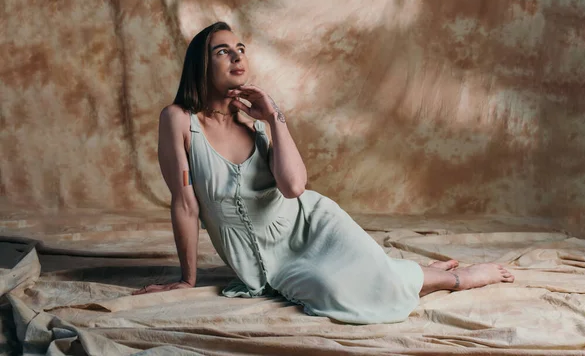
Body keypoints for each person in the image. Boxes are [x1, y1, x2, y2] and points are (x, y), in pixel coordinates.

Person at [132, 22, 515, 324]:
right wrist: (188, 278)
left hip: (314, 223)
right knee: (335, 292)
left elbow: (295, 186)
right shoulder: (179, 121)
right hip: (273, 262)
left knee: (369, 276)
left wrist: (275, 117)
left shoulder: (257, 125)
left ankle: (457, 278)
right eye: (223, 51)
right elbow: (185, 203)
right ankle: (412, 272)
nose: (237, 56)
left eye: (241, 49)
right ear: (202, 64)